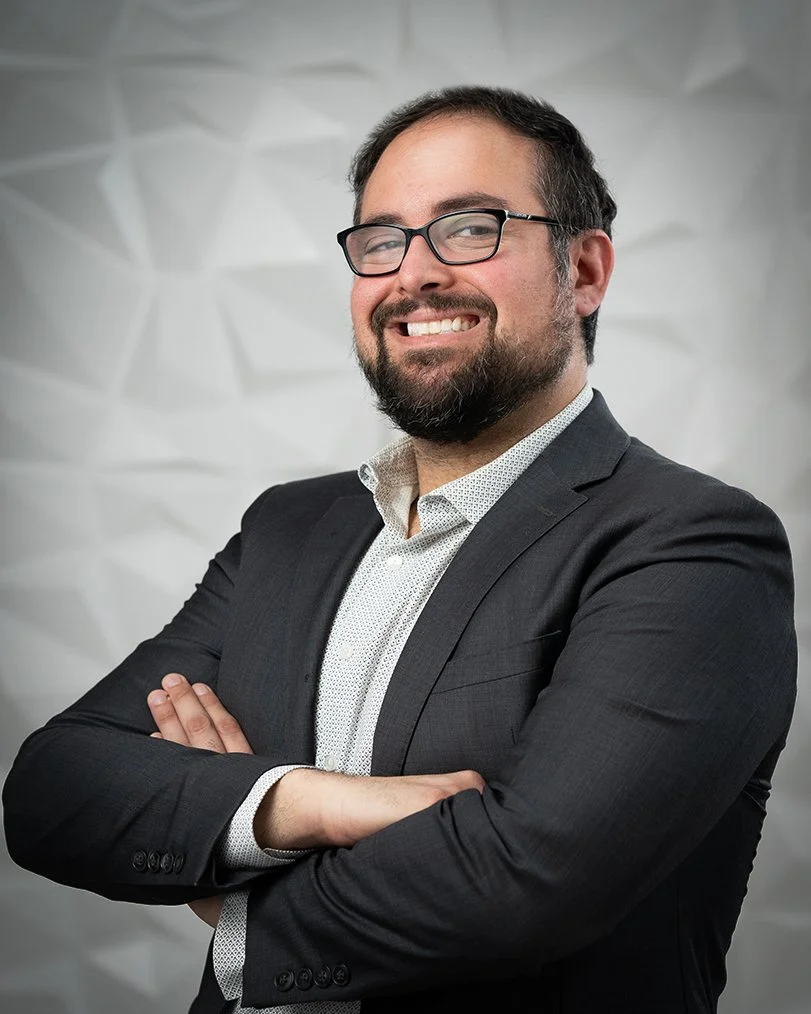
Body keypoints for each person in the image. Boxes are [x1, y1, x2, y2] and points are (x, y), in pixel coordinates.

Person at [3, 86, 797, 1014]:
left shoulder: (691, 544)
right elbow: (53, 791)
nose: (413, 275)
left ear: (582, 271)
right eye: (382, 240)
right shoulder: (288, 530)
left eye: (469, 228)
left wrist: (230, 884)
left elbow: (521, 889)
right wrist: (305, 803)